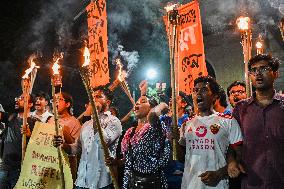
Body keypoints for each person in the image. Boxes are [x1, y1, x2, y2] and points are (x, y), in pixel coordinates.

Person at [180, 76, 243, 189]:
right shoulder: (186, 124)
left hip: (218, 185)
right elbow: (183, 157)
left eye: (204, 90)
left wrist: (219, 173)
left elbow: (240, 155)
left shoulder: (228, 121)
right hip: (190, 184)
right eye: (195, 90)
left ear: (214, 96)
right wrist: (172, 139)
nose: (198, 93)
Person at [53, 86, 122, 189]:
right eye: (92, 96)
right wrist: (63, 144)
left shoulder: (114, 121)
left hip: (101, 182)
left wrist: (95, 116)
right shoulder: (86, 125)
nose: (93, 99)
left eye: (98, 96)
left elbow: (103, 143)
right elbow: (75, 149)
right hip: (82, 180)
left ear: (107, 102)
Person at [233, 54, 284, 189]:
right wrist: (233, 161)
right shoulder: (241, 108)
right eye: (254, 70)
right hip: (252, 181)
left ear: (275, 73)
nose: (258, 74)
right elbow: (232, 142)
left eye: (264, 69)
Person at [119, 96, 171, 189]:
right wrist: (116, 162)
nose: (137, 103)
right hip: (132, 183)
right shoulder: (130, 132)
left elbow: (155, 114)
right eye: (137, 102)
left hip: (152, 183)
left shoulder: (156, 127)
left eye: (142, 101)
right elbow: (128, 161)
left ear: (152, 107)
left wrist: (162, 104)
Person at [0, 94, 37, 189]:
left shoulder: (35, 123)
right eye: (18, 98)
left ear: (30, 104)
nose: (18, 100)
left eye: (22, 98)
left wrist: (30, 135)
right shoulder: (10, 117)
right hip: (4, 167)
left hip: (21, 169)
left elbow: (39, 146)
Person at [50, 92, 81, 185]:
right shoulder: (50, 120)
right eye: (53, 100)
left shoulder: (75, 122)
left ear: (67, 104)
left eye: (58, 99)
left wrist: (64, 131)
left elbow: (76, 148)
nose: (55, 102)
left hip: (67, 167)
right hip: (51, 164)